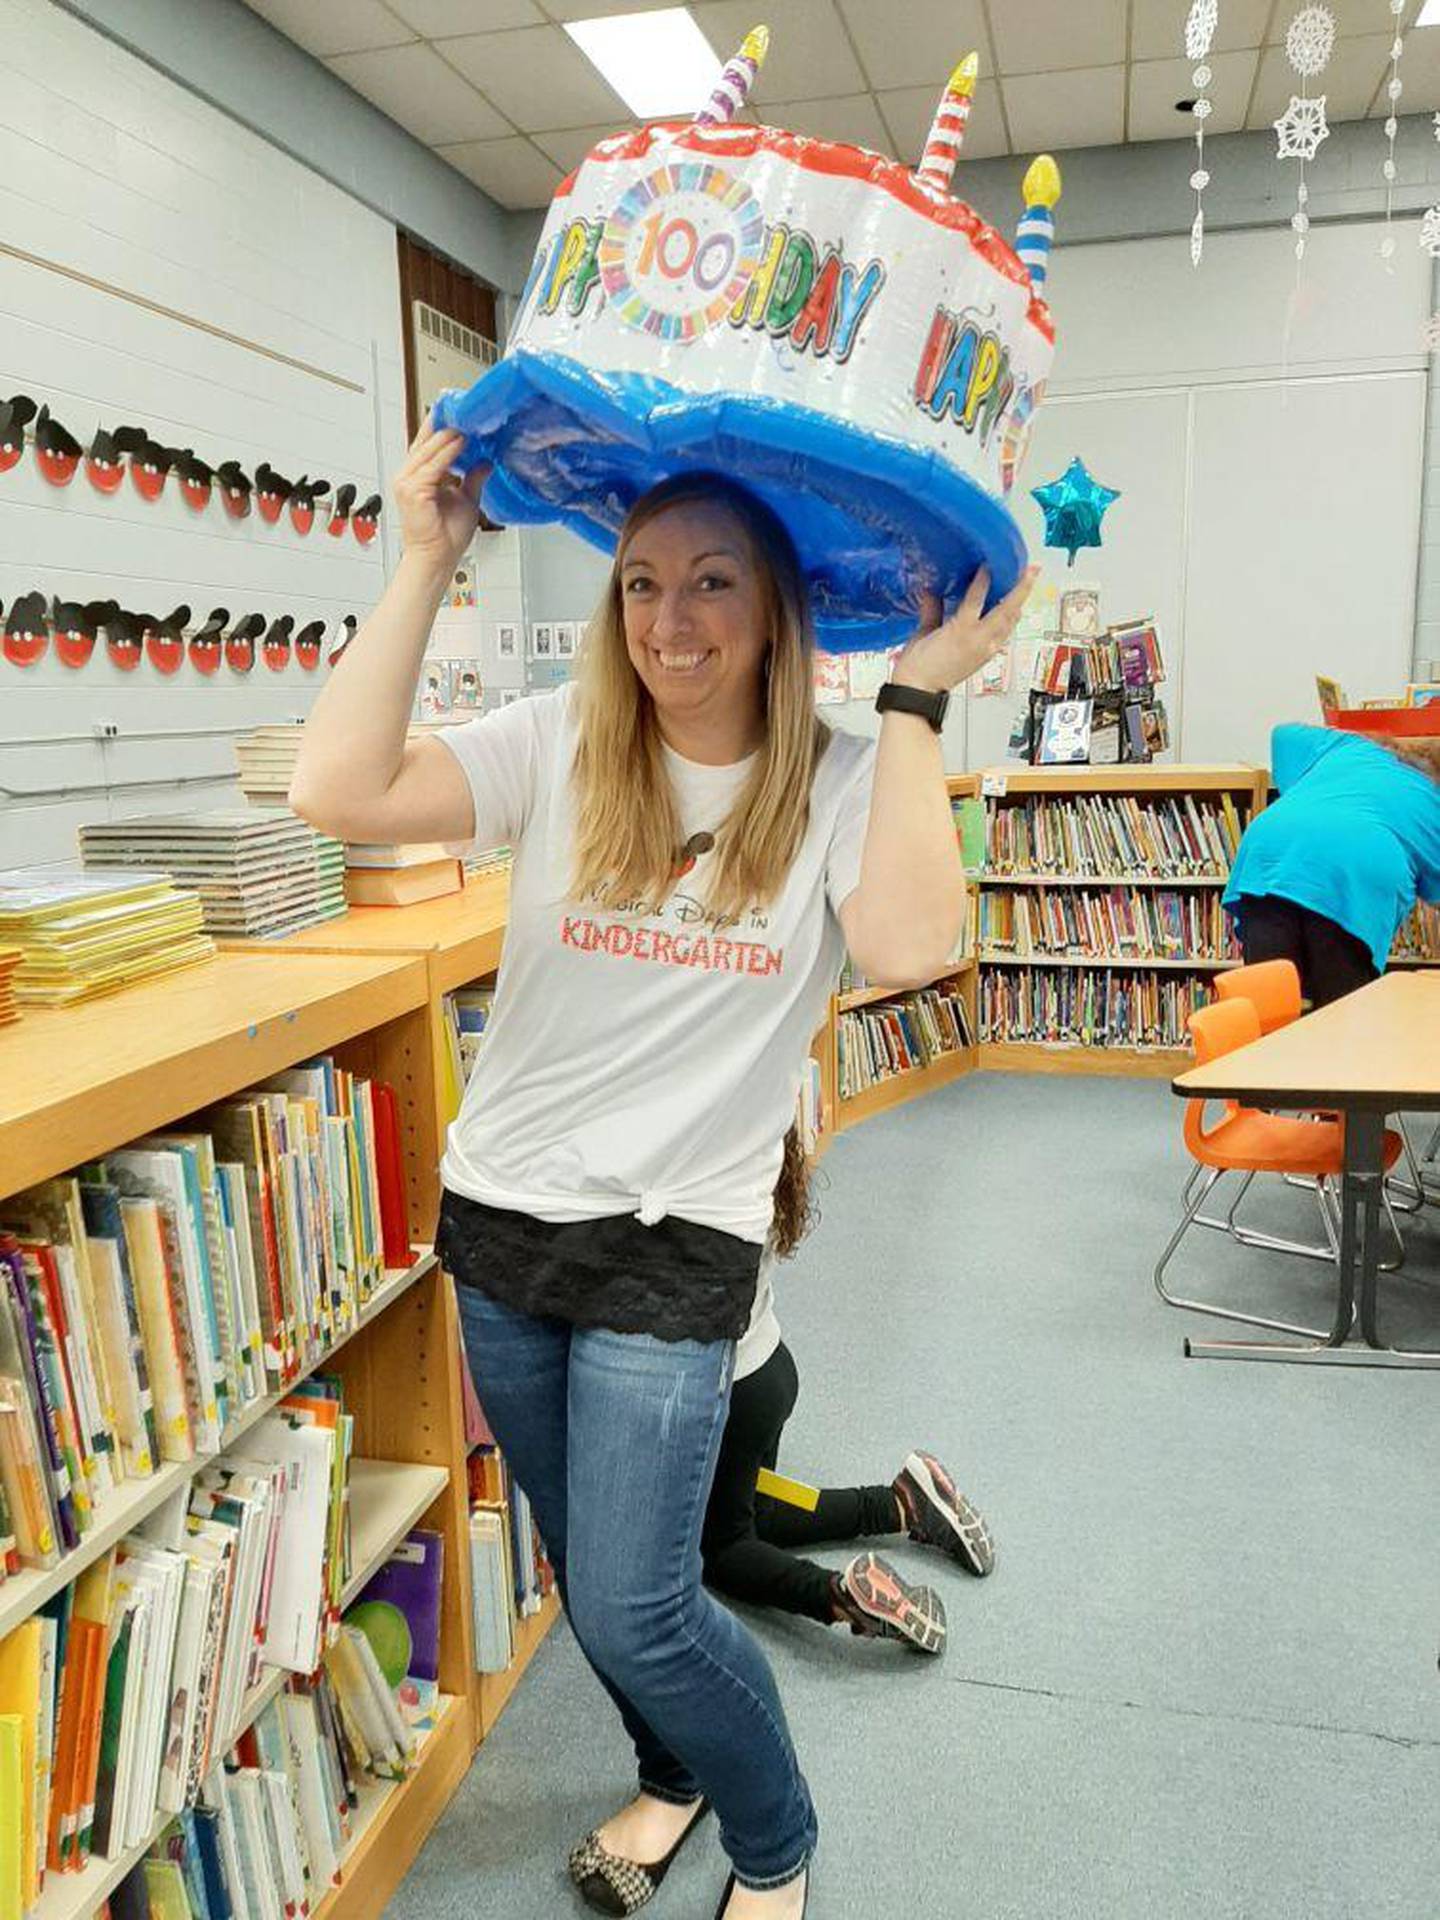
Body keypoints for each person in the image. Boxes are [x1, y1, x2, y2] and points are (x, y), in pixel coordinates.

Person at [290, 420, 1032, 1919]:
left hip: (673, 1246)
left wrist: (912, 705)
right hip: (508, 1227)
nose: (671, 623)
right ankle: (671, 1772)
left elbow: (904, 948)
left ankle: (773, 1837)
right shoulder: (563, 739)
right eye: (640, 585)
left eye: (711, 585)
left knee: (641, 1596)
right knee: (592, 1586)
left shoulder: (830, 779)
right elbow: (336, 790)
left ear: (775, 612)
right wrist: (426, 557)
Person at [702, 1139, 994, 1658]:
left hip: (731, 1393)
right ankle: (903, 1504)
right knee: (757, 1510)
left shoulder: (698, 1181)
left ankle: (839, 1596)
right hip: (769, 1364)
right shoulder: (759, 1150)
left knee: (723, 1549)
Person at [1224, 723, 1440, 1006]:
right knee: (1339, 1015)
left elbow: (1284, 734)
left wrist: (1311, 799)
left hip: (1272, 852)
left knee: (1269, 1009)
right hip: (1354, 875)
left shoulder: (1352, 749)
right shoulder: (1432, 801)